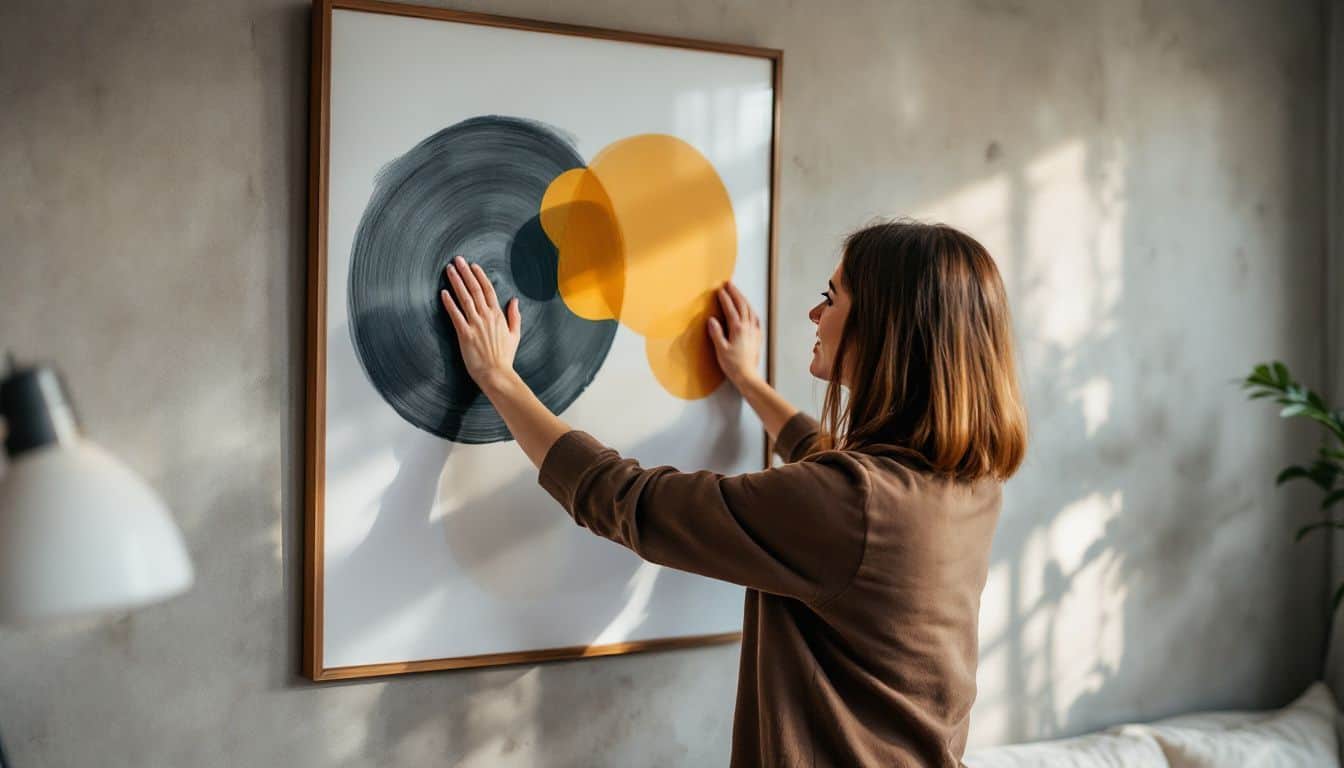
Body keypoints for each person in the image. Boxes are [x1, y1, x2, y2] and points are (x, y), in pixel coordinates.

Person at [439, 219, 1028, 767]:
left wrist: (498, 377)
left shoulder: (852, 505)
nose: (813, 313)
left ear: (886, 329)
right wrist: (747, 380)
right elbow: (825, 462)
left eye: (832, 297)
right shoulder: (965, 483)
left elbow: (629, 499)